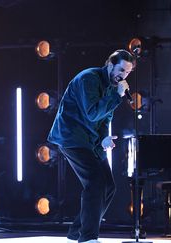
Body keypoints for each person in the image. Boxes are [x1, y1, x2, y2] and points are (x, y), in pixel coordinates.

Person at [48, 49, 136, 243]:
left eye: (128, 72)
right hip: (72, 138)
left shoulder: (113, 86)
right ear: (110, 65)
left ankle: (76, 231)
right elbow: (92, 113)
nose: (123, 75)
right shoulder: (89, 78)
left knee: (109, 186)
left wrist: (104, 137)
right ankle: (87, 237)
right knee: (95, 182)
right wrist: (117, 96)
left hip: (91, 140)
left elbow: (106, 117)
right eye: (121, 69)